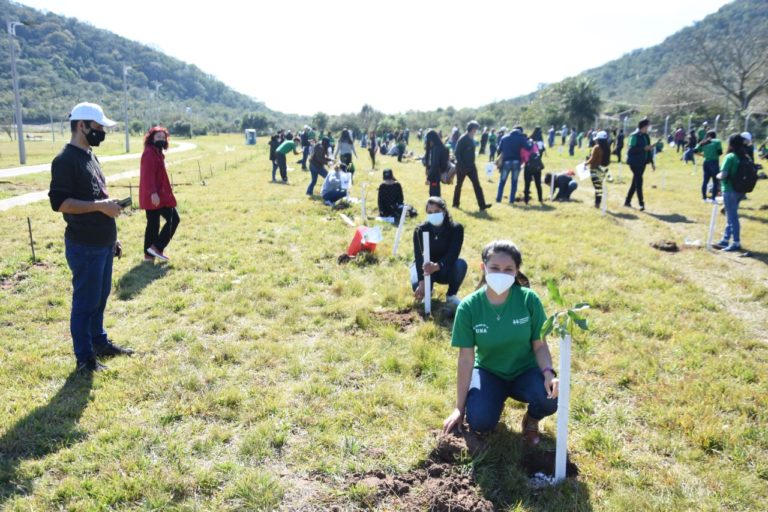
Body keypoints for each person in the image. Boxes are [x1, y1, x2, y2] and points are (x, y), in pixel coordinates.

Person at [442, 240, 558, 445]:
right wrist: (459, 408)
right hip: (489, 371)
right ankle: (493, 401)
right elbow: (466, 360)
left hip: (525, 370)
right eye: (495, 268)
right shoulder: (469, 307)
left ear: (516, 271)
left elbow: (539, 345)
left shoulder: (529, 300)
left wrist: (548, 373)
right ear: (483, 267)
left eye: (508, 269)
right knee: (479, 421)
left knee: (549, 397)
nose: (501, 274)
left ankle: (531, 420)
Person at [48, 102, 134, 373]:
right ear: (81, 125)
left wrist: (112, 236)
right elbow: (60, 202)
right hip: (84, 245)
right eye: (97, 127)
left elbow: (99, 195)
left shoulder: (91, 157)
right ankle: (84, 358)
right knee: (85, 303)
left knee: (99, 299)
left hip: (103, 243)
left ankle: (99, 342)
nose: (101, 132)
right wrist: (99, 207)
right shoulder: (65, 160)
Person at [412, 197, 466, 309]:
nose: (433, 214)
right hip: (425, 269)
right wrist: (422, 282)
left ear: (444, 211)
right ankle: (428, 290)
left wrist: (437, 266)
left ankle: (451, 295)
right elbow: (418, 256)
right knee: (415, 281)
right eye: (430, 212)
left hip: (445, 268)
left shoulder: (456, 228)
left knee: (461, 264)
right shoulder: (420, 230)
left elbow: (453, 254)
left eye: (437, 211)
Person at [139, 126, 179, 262]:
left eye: (163, 137)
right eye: (158, 137)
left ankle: (149, 255)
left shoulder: (157, 152)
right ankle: (157, 247)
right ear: (151, 138)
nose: (161, 139)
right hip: (155, 195)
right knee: (174, 219)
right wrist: (153, 193)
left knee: (153, 223)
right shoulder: (149, 153)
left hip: (157, 194)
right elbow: (147, 175)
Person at [713, 134, 750, 252]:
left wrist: (717, 176)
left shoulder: (730, 157)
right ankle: (725, 240)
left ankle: (736, 242)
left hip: (729, 190)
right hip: (741, 191)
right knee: (731, 216)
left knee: (732, 217)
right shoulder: (745, 156)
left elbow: (723, 174)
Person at [453, 120, 492, 211]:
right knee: (459, 185)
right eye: (475, 128)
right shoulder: (463, 138)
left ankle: (482, 205)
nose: (476, 130)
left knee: (477, 185)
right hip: (462, 167)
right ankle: (455, 204)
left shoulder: (472, 138)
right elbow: (457, 153)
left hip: (471, 167)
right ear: (471, 128)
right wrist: (462, 165)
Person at [496, 126, 532, 203]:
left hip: (506, 162)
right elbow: (528, 148)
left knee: (502, 181)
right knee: (514, 182)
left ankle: (498, 199)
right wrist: (531, 142)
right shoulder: (521, 138)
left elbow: (499, 149)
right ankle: (511, 200)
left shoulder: (504, 138)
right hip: (516, 162)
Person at [624, 119, 653, 211]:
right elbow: (631, 150)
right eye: (648, 126)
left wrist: (652, 162)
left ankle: (627, 201)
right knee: (639, 182)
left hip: (643, 162)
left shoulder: (646, 136)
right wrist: (643, 149)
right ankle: (641, 203)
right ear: (644, 126)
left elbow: (648, 150)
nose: (649, 127)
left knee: (635, 182)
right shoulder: (634, 136)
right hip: (634, 162)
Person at [694, 130, 723, 202]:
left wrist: (703, 155)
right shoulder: (717, 141)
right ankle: (713, 198)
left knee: (705, 181)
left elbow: (695, 151)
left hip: (706, 162)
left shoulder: (703, 142)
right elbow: (720, 152)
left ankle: (704, 198)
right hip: (714, 162)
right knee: (715, 181)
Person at [587, 131, 611, 208]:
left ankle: (597, 203)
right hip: (603, 169)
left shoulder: (596, 148)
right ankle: (598, 202)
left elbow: (592, 159)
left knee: (597, 187)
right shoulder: (608, 147)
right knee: (599, 186)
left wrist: (585, 163)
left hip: (595, 169)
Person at [424, 129, 448, 198]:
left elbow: (435, 165)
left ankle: (436, 207)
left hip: (435, 175)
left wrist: (429, 178)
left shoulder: (437, 148)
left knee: (434, 194)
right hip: (436, 174)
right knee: (434, 192)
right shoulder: (437, 147)